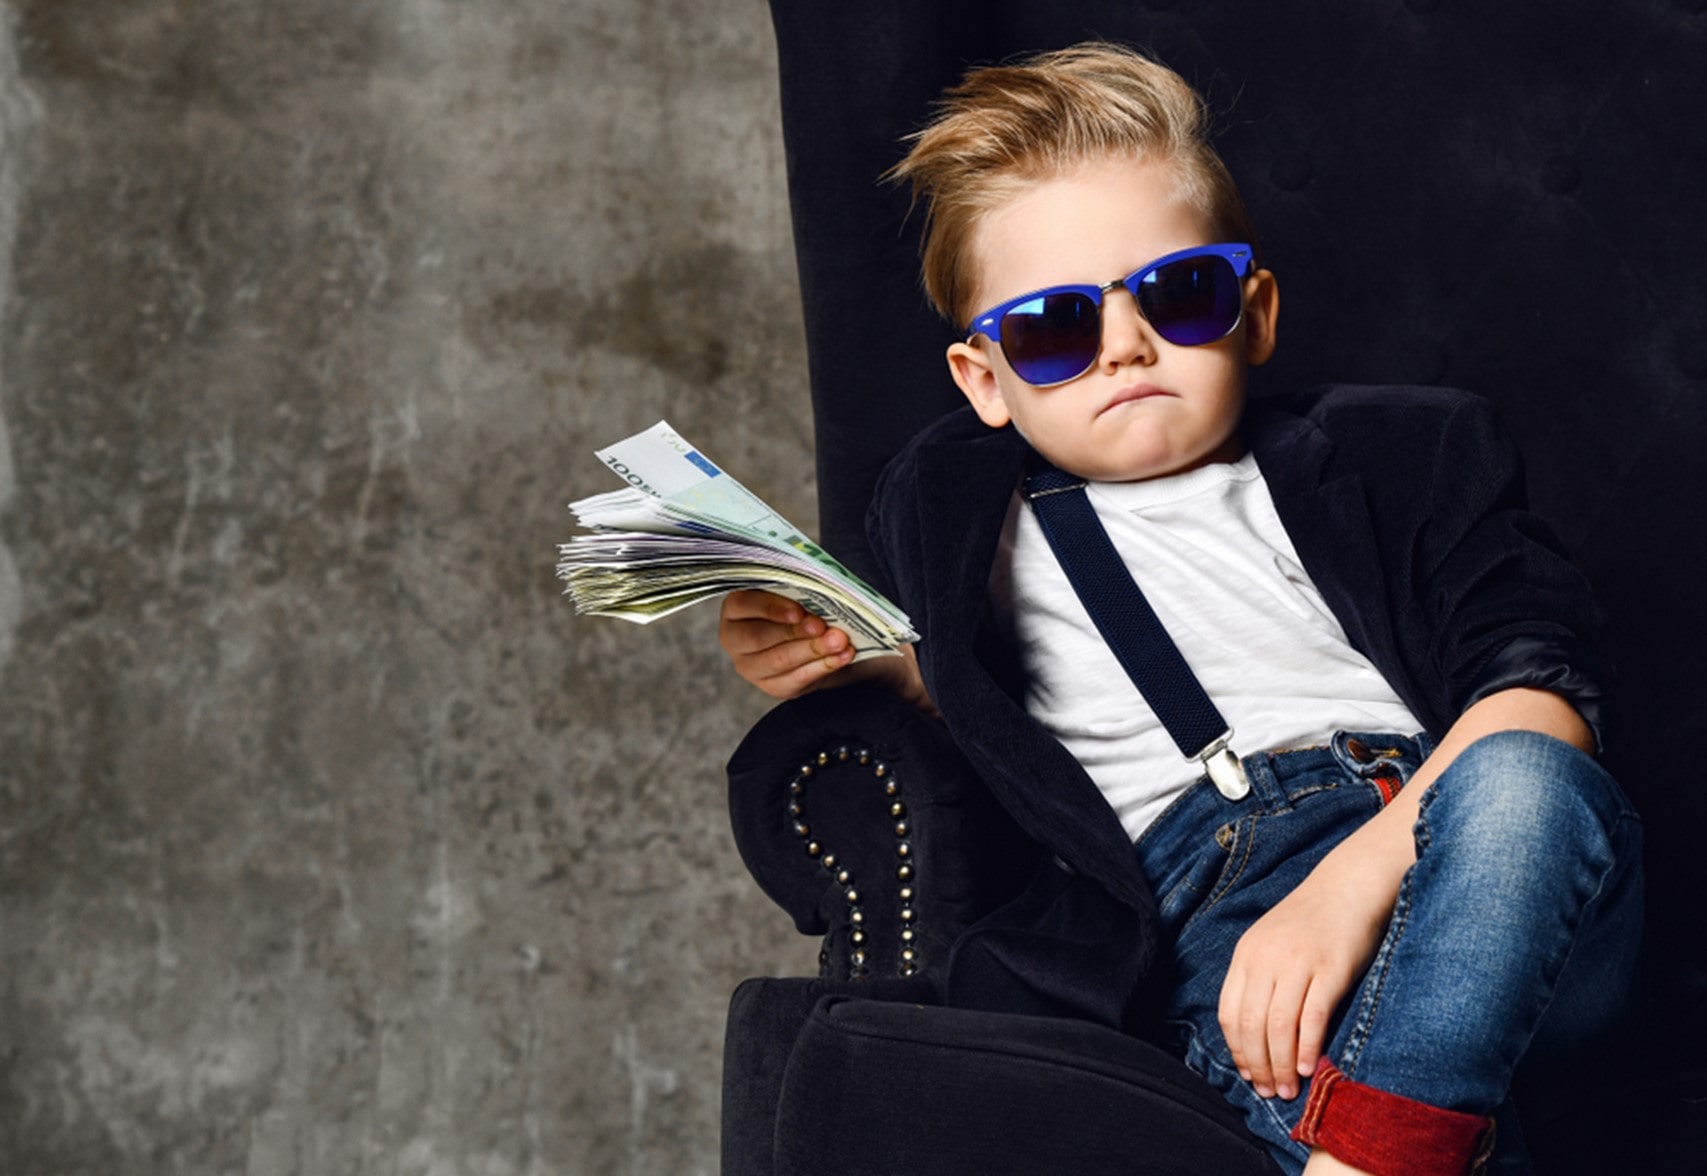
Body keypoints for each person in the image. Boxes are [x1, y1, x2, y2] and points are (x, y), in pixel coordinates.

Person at [719, 43, 1642, 1176]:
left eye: (1179, 294)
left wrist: (1352, 884)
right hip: (1212, 928)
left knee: (1529, 783)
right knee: (1326, 1075)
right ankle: (1387, 1137)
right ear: (984, 381)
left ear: (1252, 312)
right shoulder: (959, 518)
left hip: (1452, 850)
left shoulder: (1405, 452)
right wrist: (840, 657)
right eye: (1055, 330)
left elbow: (1546, 700)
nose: (1125, 347)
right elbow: (986, 701)